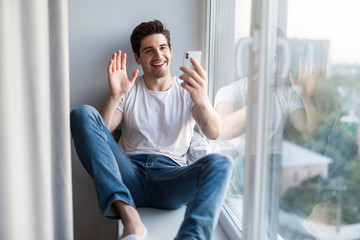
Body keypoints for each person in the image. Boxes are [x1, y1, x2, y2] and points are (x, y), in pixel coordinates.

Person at [70, 20, 234, 240]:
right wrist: (116, 95)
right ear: (138, 58)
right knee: (82, 113)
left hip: (171, 178)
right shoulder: (129, 89)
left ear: (171, 51)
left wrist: (203, 100)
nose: (158, 55)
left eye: (162, 47)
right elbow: (101, 131)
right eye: (149, 50)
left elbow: (214, 132)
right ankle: (130, 216)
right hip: (130, 175)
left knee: (223, 163)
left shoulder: (187, 91)